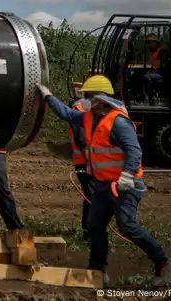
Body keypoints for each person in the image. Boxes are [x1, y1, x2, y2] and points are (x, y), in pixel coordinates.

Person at [39, 76, 171, 285]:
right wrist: (48, 97)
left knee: (127, 226)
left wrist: (127, 176)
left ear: (100, 99)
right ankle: (97, 269)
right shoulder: (89, 118)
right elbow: (66, 114)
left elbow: (134, 151)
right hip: (103, 185)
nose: (85, 100)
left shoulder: (118, 122)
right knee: (95, 225)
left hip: (125, 186)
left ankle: (163, 261)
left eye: (88, 96)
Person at [68, 96, 93, 240]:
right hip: (84, 161)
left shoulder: (82, 108)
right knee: (92, 196)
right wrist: (90, 161)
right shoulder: (80, 110)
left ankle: (89, 230)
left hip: (84, 161)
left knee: (92, 195)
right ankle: (89, 231)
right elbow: (82, 139)